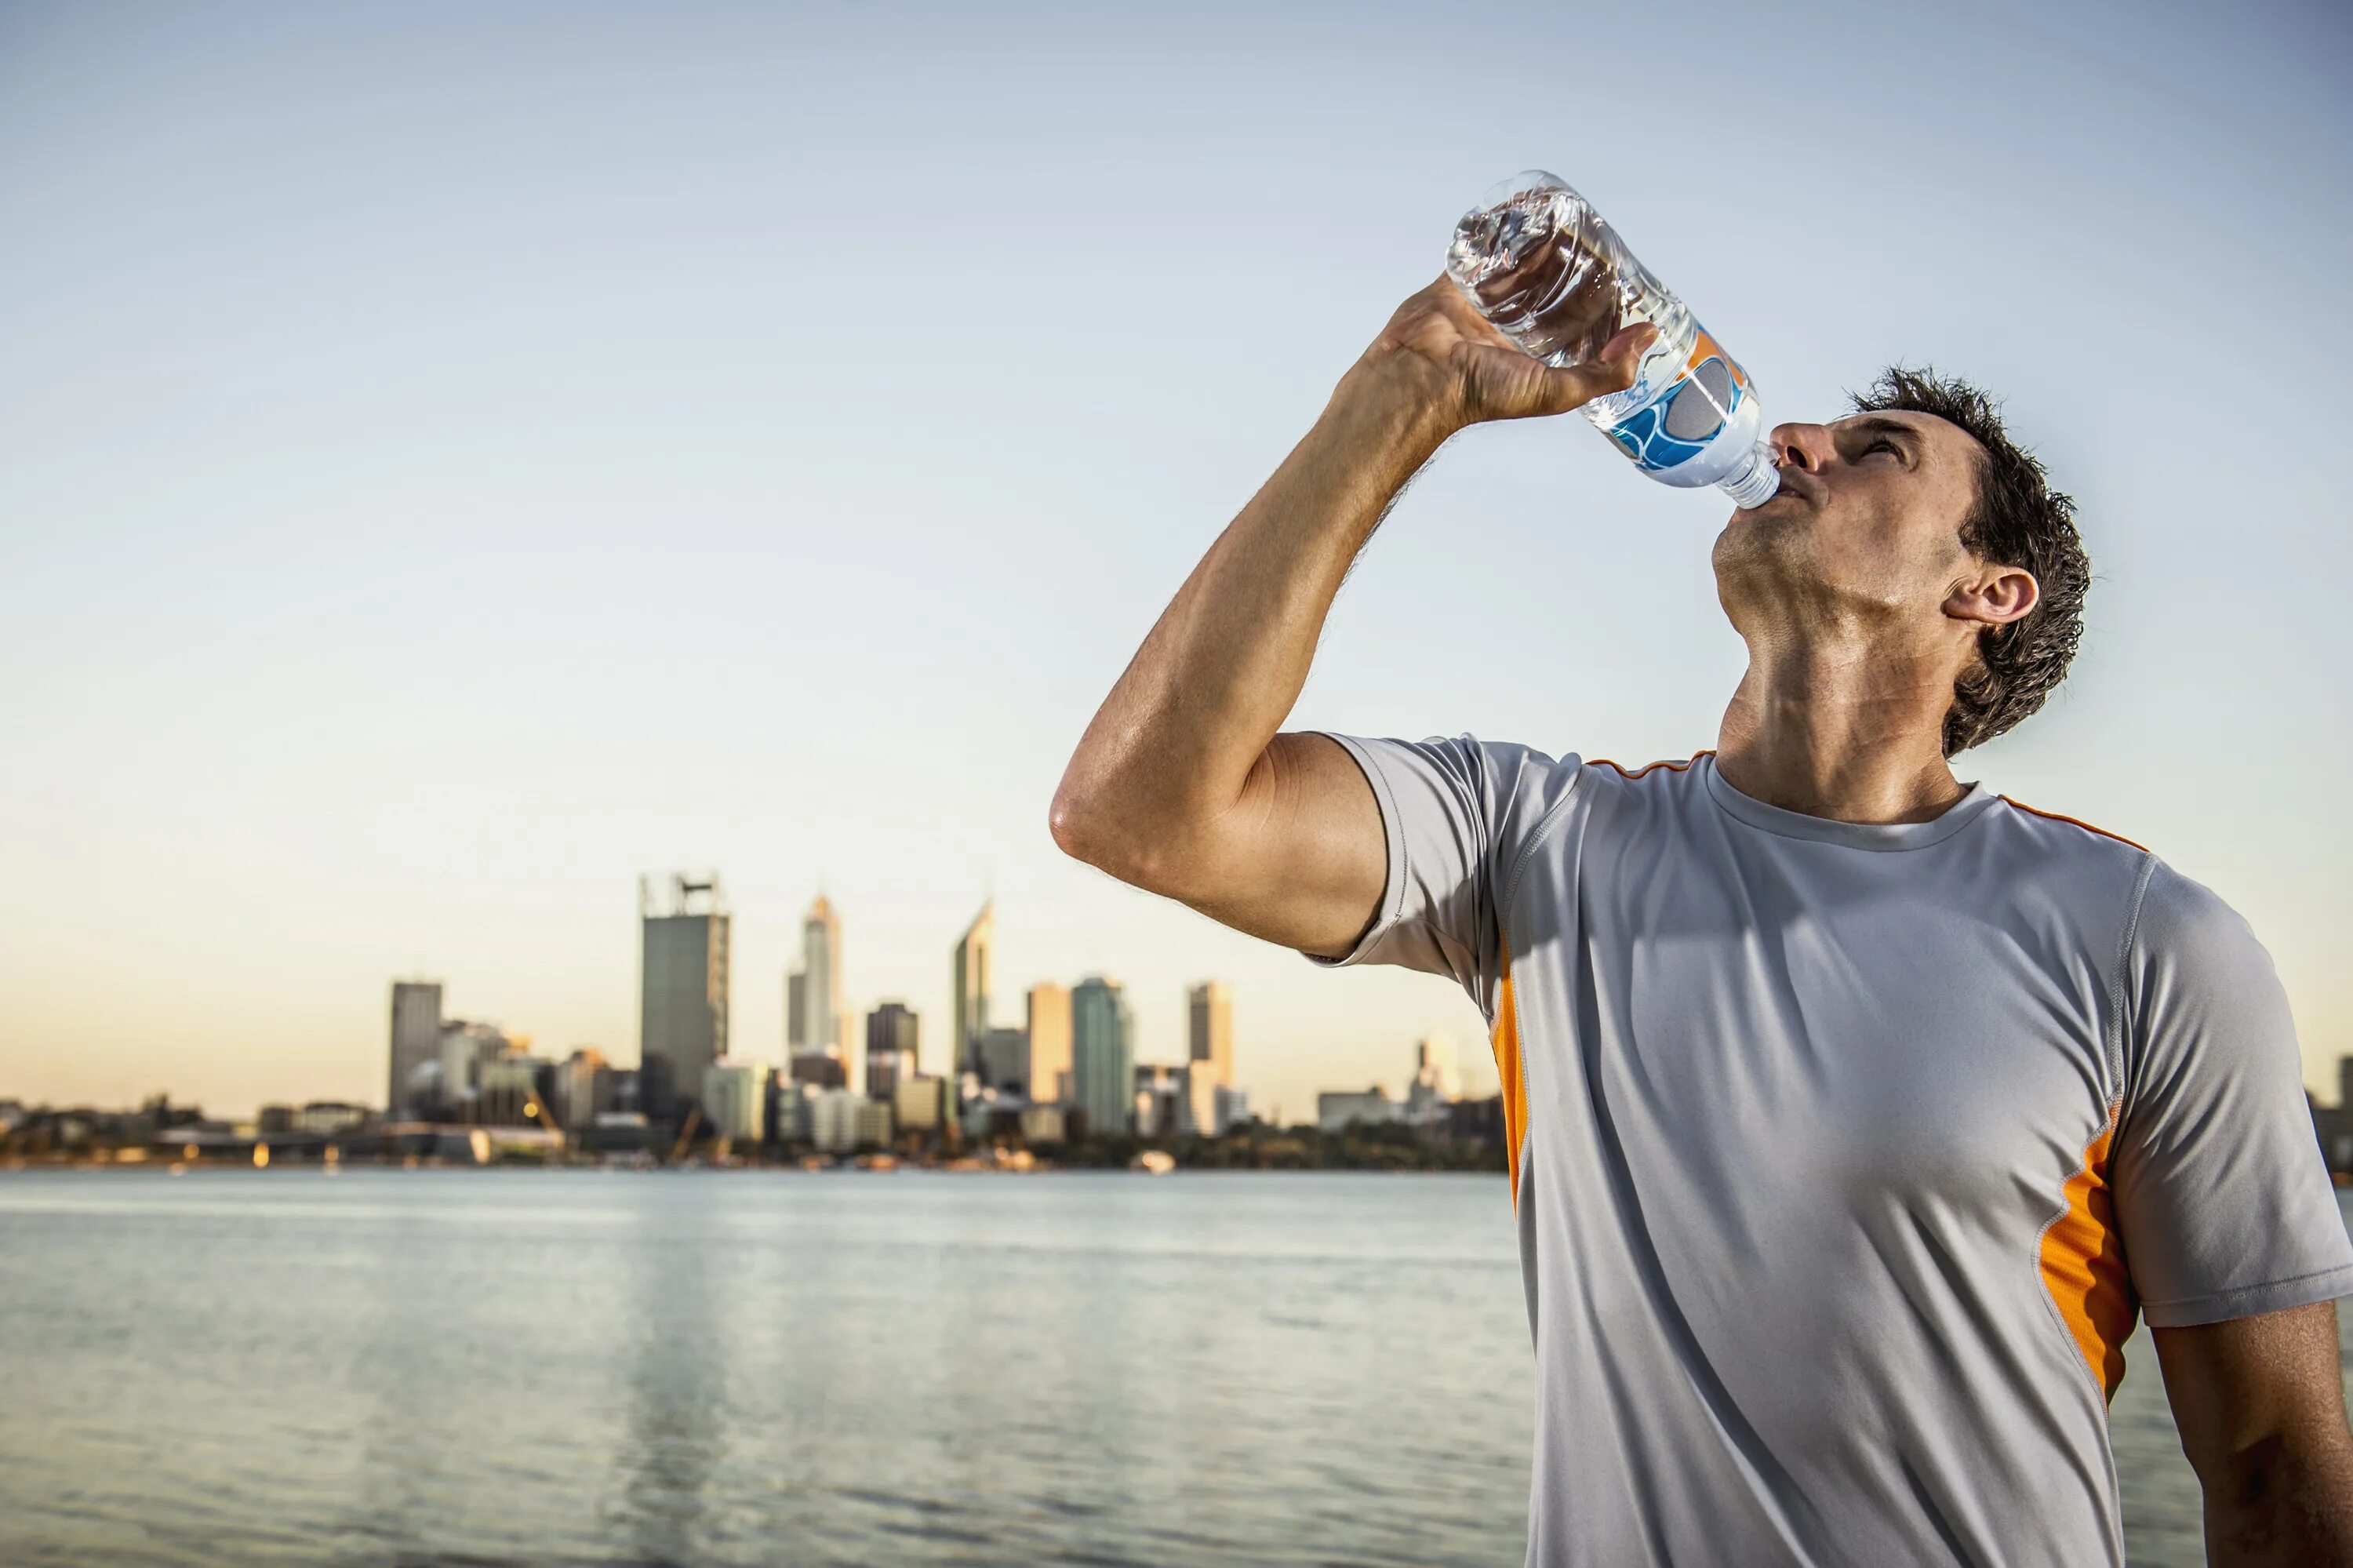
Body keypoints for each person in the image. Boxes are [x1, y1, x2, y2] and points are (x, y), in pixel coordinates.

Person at [1049, 277, 2353, 1566]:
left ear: (1986, 591)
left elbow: (2278, 1476)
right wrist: (1397, 398)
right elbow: (1137, 811)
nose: (1792, 443)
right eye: (1819, 433)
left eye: (1874, 452)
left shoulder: (2145, 940)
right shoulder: (1535, 842)